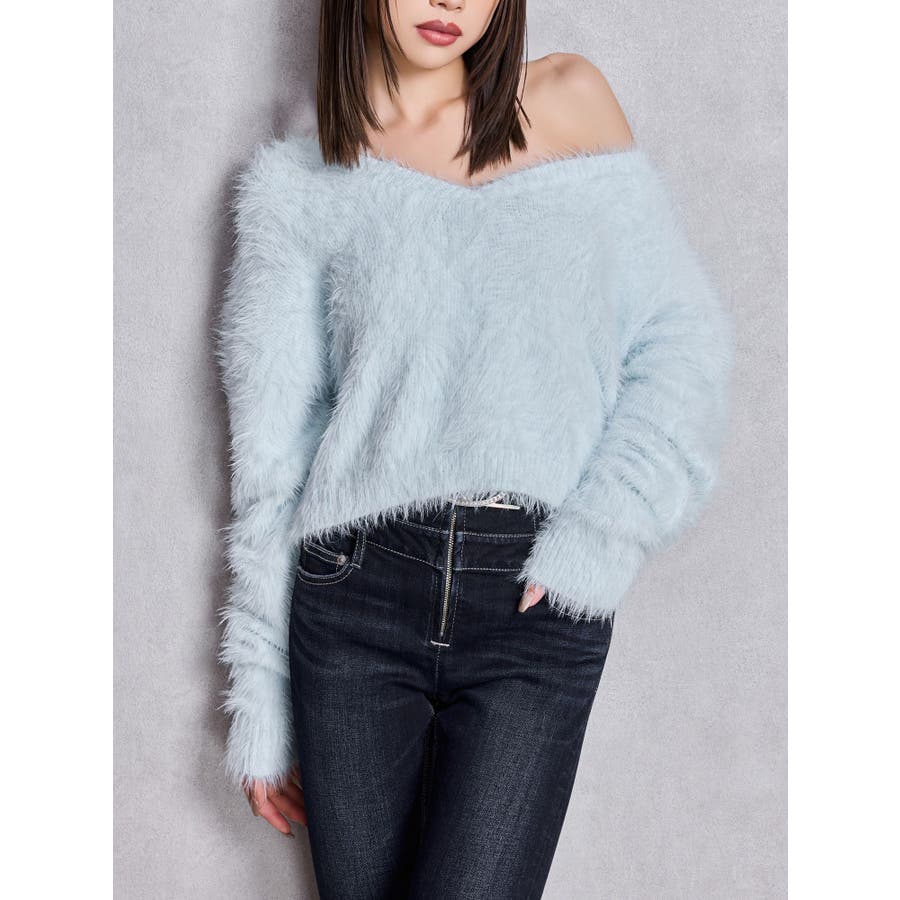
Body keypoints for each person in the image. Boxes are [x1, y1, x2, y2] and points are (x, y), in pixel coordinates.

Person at [214, 1, 735, 897]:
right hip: (353, 604)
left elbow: (682, 346)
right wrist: (260, 686)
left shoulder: (570, 102)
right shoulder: (301, 182)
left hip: (532, 605)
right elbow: (271, 460)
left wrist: (602, 535)